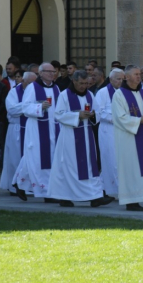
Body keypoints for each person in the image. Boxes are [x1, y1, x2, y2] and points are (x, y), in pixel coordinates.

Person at [47, 71, 114, 208]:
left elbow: (98, 113)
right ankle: (65, 197)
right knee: (69, 167)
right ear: (74, 81)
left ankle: (95, 197)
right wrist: (77, 115)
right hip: (70, 137)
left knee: (90, 166)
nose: (84, 86)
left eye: (86, 83)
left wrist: (93, 115)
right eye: (81, 83)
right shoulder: (65, 95)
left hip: (86, 135)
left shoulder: (90, 94)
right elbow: (58, 115)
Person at [12, 63, 61, 202]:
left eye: (54, 71)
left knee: (39, 157)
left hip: (53, 127)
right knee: (39, 157)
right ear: (40, 72)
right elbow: (25, 107)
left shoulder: (56, 87)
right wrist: (40, 107)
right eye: (49, 71)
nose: (52, 74)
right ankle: (46, 193)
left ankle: (19, 183)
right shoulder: (33, 87)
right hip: (37, 128)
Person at [112, 65, 143, 211]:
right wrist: (139, 121)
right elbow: (120, 117)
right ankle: (130, 200)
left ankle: (140, 198)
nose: (139, 76)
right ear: (127, 77)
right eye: (136, 74)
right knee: (130, 168)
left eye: (139, 74)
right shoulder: (119, 95)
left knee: (140, 168)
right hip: (128, 139)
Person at [0, 72, 37, 193]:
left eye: (34, 83)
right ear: (23, 81)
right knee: (14, 159)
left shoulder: (36, 92)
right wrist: (28, 106)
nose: (32, 85)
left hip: (31, 129)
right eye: (30, 83)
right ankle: (14, 186)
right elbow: (12, 110)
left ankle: (29, 186)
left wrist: (30, 107)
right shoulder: (14, 92)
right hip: (16, 129)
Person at [94, 68, 125, 196]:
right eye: (118, 79)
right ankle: (110, 189)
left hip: (122, 130)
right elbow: (97, 112)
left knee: (120, 160)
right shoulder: (103, 92)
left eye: (123, 79)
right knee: (110, 160)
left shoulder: (124, 92)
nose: (121, 81)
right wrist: (114, 118)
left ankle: (109, 187)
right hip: (108, 130)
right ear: (111, 79)